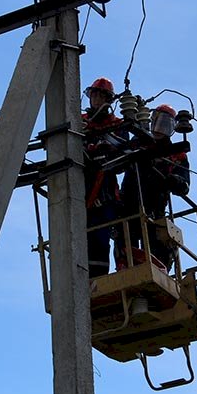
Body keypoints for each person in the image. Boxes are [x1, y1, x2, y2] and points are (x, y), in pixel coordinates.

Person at [120, 104, 190, 272]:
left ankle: (158, 267)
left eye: (165, 124)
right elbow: (117, 161)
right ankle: (126, 266)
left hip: (155, 206)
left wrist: (174, 180)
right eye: (157, 122)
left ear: (172, 128)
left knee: (158, 244)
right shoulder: (138, 143)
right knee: (125, 238)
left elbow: (184, 185)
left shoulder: (176, 153)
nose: (160, 128)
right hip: (129, 203)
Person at [82, 77, 126, 278]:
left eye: (100, 95)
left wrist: (106, 148)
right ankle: (81, 277)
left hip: (105, 191)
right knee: (78, 236)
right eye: (94, 95)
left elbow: (123, 156)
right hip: (81, 189)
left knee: (100, 237)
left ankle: (99, 277)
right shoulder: (80, 121)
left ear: (108, 99)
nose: (96, 99)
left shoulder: (116, 124)